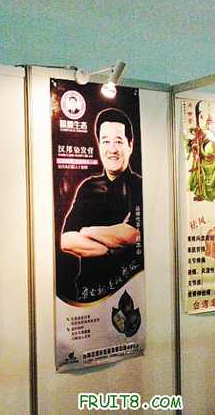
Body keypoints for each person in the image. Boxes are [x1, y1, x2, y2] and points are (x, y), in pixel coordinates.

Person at [60, 108, 143, 302]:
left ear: (130, 145)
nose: (112, 149)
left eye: (119, 141)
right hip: (89, 292)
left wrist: (86, 231)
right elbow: (66, 240)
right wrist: (110, 249)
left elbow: (132, 235)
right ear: (98, 144)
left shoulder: (139, 186)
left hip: (129, 286)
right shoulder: (88, 187)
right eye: (105, 141)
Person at [185, 100, 215, 202]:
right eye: (208, 122)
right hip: (204, 159)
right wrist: (194, 146)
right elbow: (194, 143)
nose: (210, 124)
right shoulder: (201, 132)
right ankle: (200, 194)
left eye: (212, 122)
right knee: (200, 176)